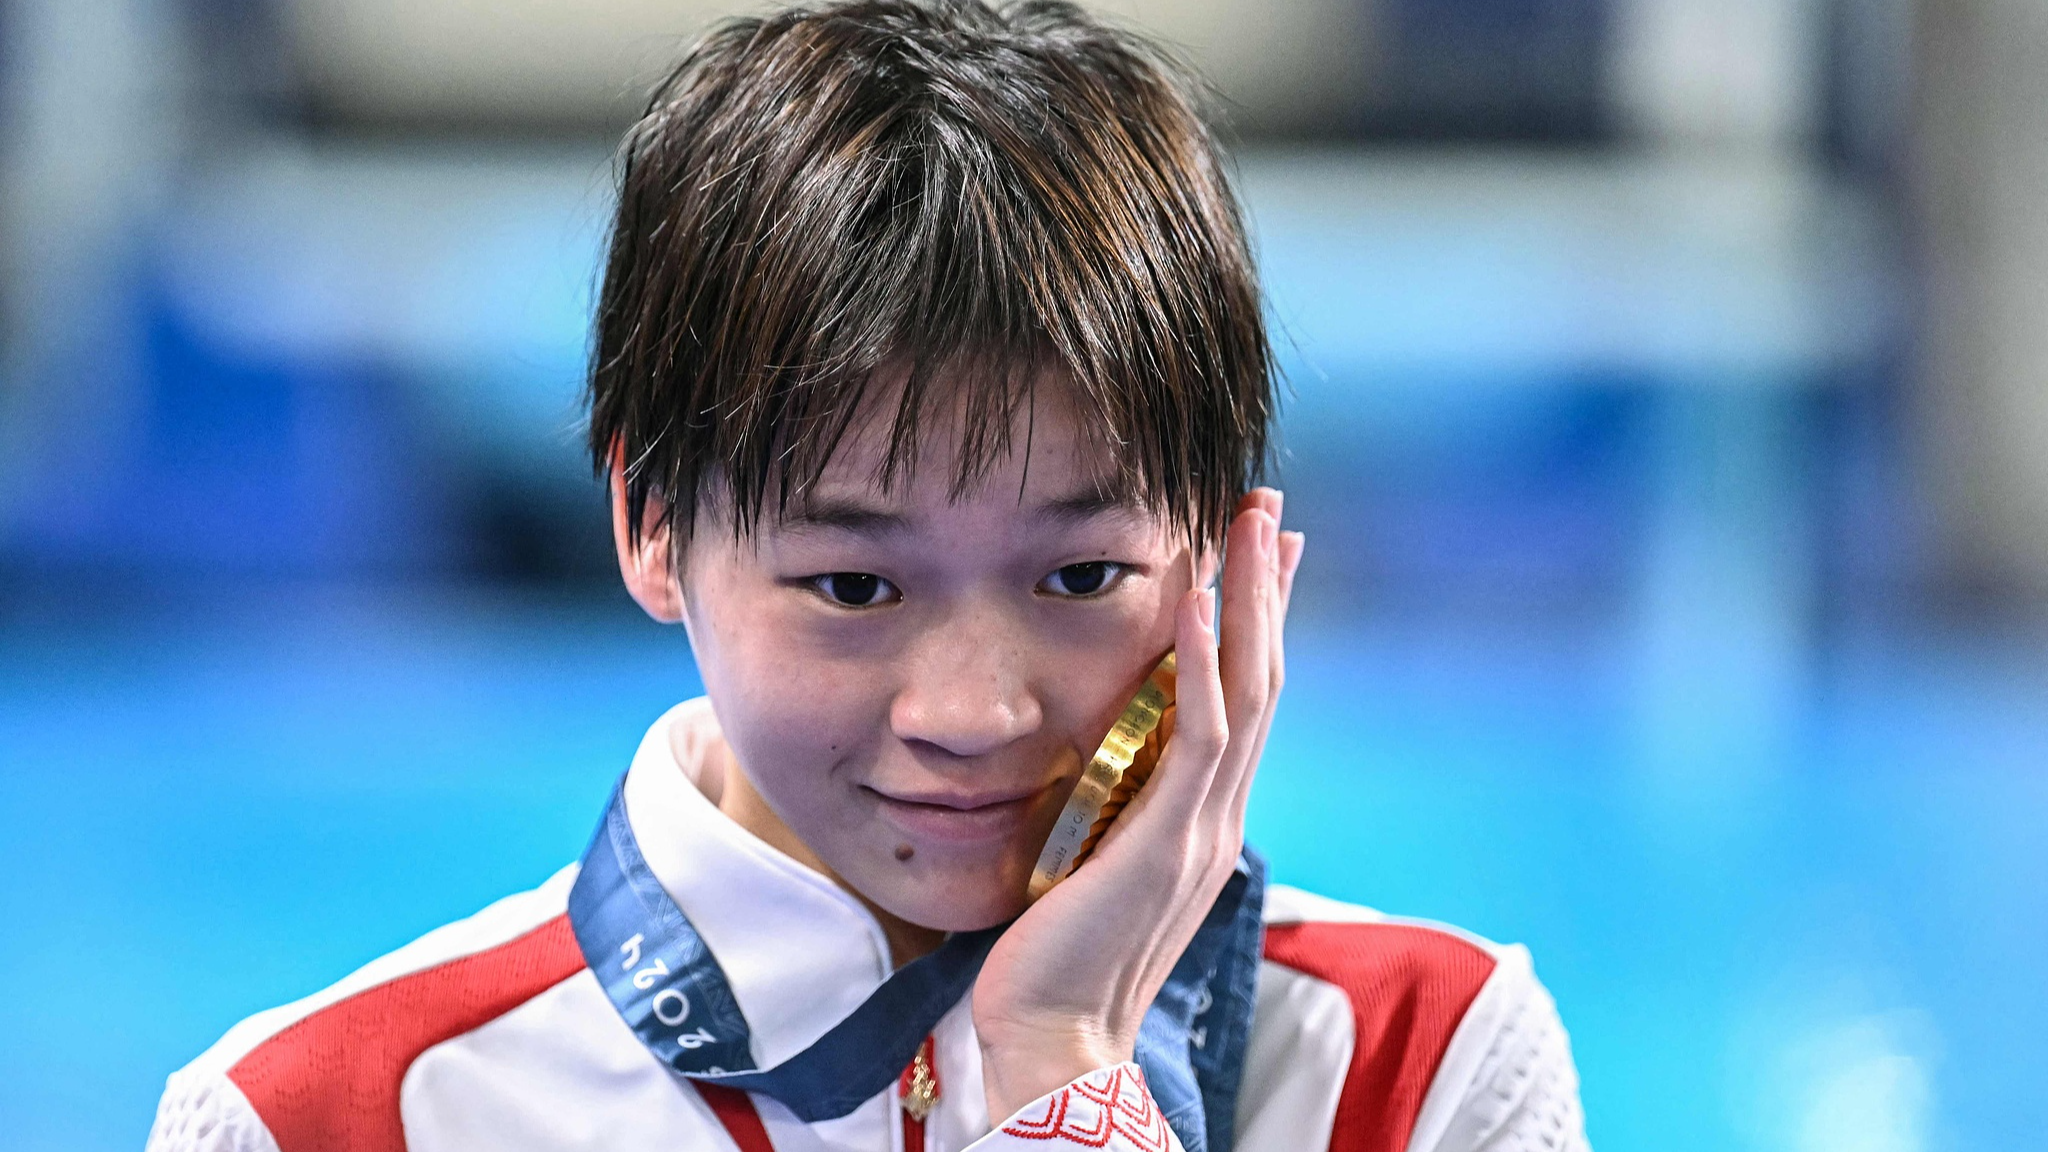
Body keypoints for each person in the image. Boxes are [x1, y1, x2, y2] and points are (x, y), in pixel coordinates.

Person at [148, 3, 1588, 1150]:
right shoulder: (327, 1117)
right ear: (651, 522)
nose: (974, 711)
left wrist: (1064, 1069)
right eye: (854, 587)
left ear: (1219, 548)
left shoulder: (1425, 1063)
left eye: (1082, 574)